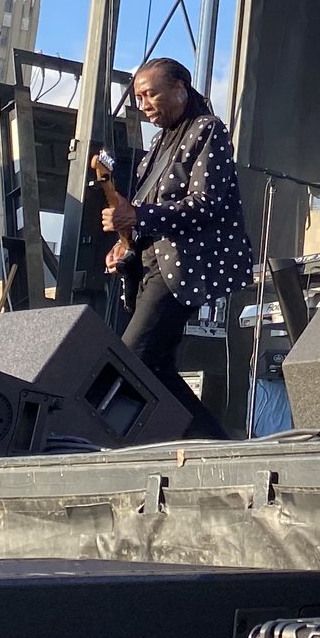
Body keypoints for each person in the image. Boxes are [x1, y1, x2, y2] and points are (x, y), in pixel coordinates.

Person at [99, 56, 255, 438]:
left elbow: (208, 204)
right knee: (154, 367)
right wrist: (126, 245)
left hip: (180, 266)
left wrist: (137, 217)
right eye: (138, 97)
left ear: (180, 89)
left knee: (131, 360)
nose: (143, 104)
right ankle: (209, 444)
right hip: (152, 264)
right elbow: (147, 214)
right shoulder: (157, 144)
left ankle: (213, 446)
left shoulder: (207, 130)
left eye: (150, 94)